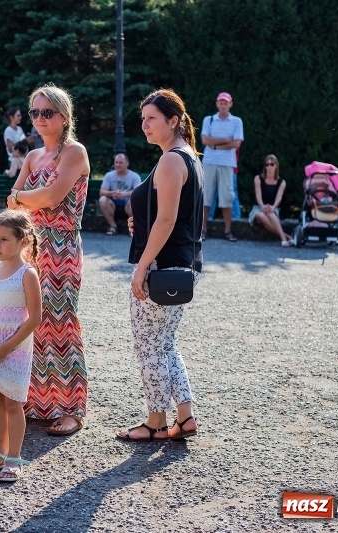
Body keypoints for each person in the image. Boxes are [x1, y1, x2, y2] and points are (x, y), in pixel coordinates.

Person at [116, 88, 202, 442]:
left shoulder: (171, 160)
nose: (144, 125)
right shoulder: (187, 157)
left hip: (161, 267)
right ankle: (185, 415)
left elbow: (167, 221)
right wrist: (140, 220)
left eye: (151, 118)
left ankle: (155, 421)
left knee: (148, 345)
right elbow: (172, 217)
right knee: (165, 343)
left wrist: (142, 267)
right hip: (182, 266)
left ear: (174, 120)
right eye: (142, 118)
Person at [7, 84, 89, 437]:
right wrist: (28, 198)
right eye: (35, 113)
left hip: (62, 247)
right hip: (30, 246)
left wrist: (24, 198)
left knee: (59, 321)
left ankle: (72, 407)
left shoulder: (74, 152)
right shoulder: (32, 156)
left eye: (48, 112)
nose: (40, 119)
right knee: (27, 322)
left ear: (64, 116)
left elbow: (53, 197)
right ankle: (31, 400)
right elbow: (15, 201)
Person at [0, 210, 42, 482]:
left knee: (13, 403)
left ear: (23, 241)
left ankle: (14, 457)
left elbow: (35, 318)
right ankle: (0, 453)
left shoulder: (28, 274)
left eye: (4, 240)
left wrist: (8, 346)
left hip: (15, 349)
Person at [200, 91, 243, 242]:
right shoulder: (209, 120)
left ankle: (227, 230)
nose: (223, 105)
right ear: (217, 104)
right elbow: (205, 140)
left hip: (227, 163)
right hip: (209, 161)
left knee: (227, 197)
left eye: (226, 103)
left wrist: (215, 144)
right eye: (221, 102)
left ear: (230, 104)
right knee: (206, 197)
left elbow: (236, 144)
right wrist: (225, 140)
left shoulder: (237, 121)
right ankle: (203, 230)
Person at [250, 154, 291, 246]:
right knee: (260, 214)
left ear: (276, 165)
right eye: (267, 164)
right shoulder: (258, 178)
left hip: (273, 208)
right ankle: (285, 237)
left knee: (268, 213)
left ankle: (284, 238)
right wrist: (262, 206)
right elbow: (258, 195)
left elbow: (279, 197)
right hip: (259, 207)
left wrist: (273, 207)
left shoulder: (281, 182)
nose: (269, 167)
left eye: (272, 164)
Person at [99, 153, 141, 235]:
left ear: (127, 163)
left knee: (135, 200)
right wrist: (112, 193)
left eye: (121, 163)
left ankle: (132, 228)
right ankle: (112, 226)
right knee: (102, 199)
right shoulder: (109, 175)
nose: (118, 165)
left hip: (128, 204)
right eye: (116, 162)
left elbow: (138, 192)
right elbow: (102, 192)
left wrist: (122, 194)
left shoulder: (135, 176)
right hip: (112, 204)